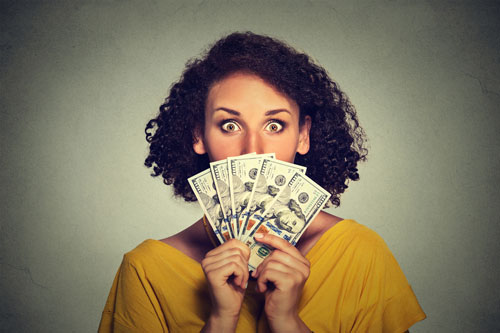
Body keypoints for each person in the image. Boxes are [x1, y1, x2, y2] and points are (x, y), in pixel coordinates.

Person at [98, 32, 426, 332]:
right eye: (229, 125)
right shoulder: (146, 271)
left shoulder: (359, 254)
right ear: (199, 135)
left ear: (303, 135)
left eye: (274, 125)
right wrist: (219, 319)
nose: (253, 150)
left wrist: (286, 321)